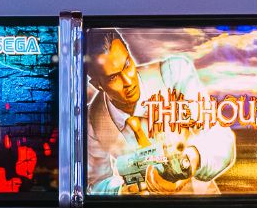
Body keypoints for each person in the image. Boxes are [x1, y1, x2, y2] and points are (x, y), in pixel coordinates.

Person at [84, 30, 236, 195]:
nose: (128, 81)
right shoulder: (92, 120)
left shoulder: (173, 74)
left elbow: (222, 139)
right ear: (97, 84)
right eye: (113, 78)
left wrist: (192, 160)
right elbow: (96, 185)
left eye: (127, 65)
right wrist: (121, 192)